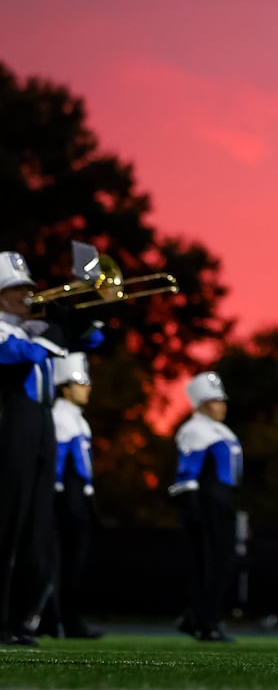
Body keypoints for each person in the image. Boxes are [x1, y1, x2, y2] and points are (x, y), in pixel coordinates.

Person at [0, 250, 101, 646]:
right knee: (7, 524)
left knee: (36, 530)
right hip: (12, 423)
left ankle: (22, 617)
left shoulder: (33, 329)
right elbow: (16, 357)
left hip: (40, 424)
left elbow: (91, 339)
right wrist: (56, 331)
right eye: (16, 289)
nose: (28, 294)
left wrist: (79, 310)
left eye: (29, 287)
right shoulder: (7, 331)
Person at [169, 371, 243, 643]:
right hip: (207, 502)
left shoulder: (219, 429)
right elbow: (187, 472)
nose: (221, 405)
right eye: (214, 400)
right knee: (210, 564)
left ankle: (195, 616)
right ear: (200, 404)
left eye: (222, 400)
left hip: (223, 500)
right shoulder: (194, 430)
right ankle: (205, 622)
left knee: (223, 563)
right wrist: (192, 506)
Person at [49, 352, 103, 639]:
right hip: (65, 497)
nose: (87, 387)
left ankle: (68, 619)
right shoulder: (61, 416)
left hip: (78, 496)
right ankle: (58, 619)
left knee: (75, 562)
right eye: (80, 382)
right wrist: (58, 490)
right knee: (63, 561)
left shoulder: (77, 419)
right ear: (65, 387)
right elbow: (58, 460)